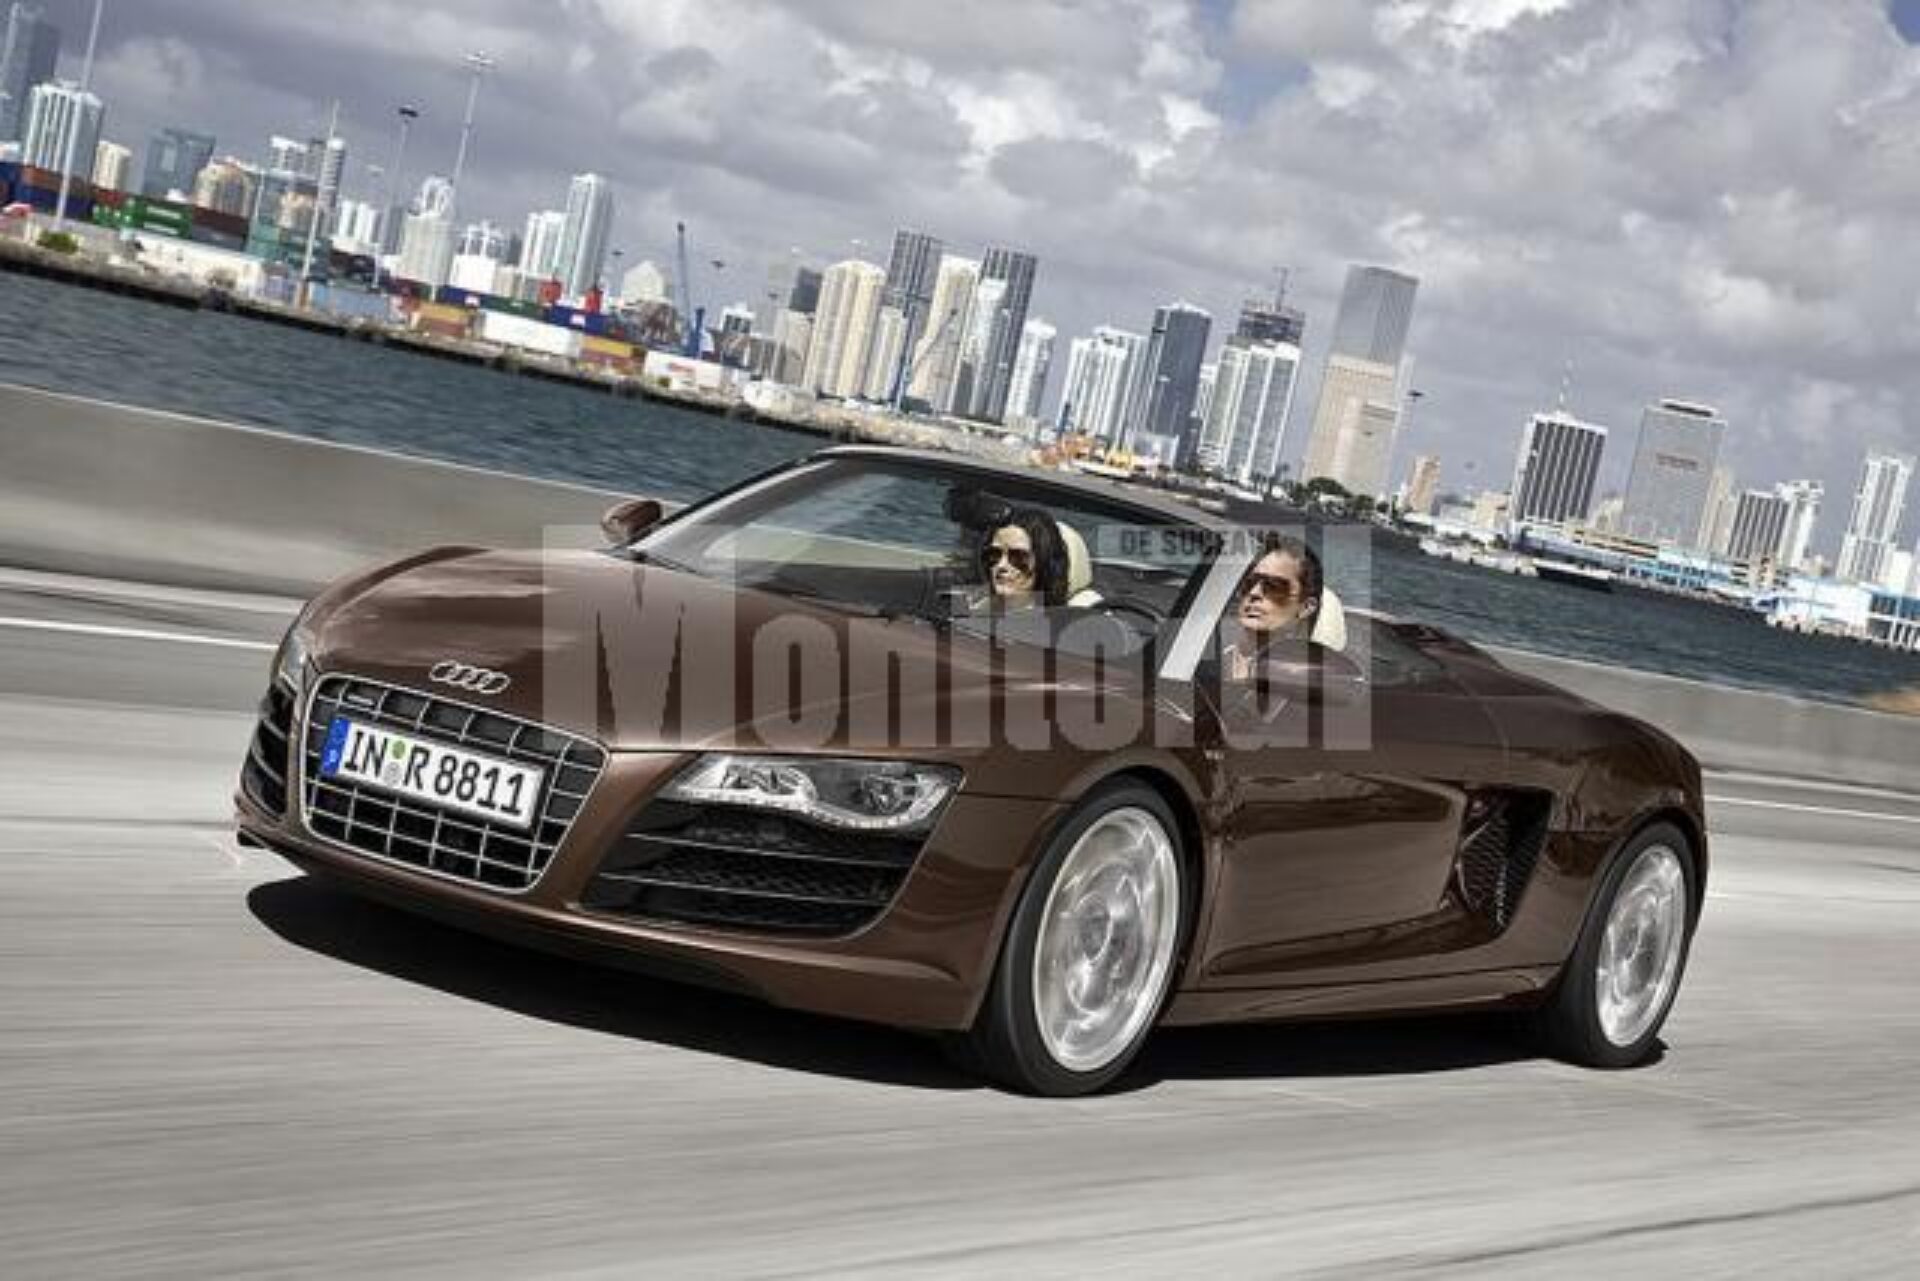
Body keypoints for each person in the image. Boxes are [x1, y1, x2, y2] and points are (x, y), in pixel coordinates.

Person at [1223, 532, 1333, 681]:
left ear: (1306, 607)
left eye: (1274, 586)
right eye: (1249, 583)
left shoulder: (1305, 681)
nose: (1254, 593)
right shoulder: (1201, 654)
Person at [975, 507, 1072, 609]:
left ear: (1043, 564)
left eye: (1018, 557)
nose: (1001, 565)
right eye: (994, 555)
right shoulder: (976, 609)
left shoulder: (1061, 618)